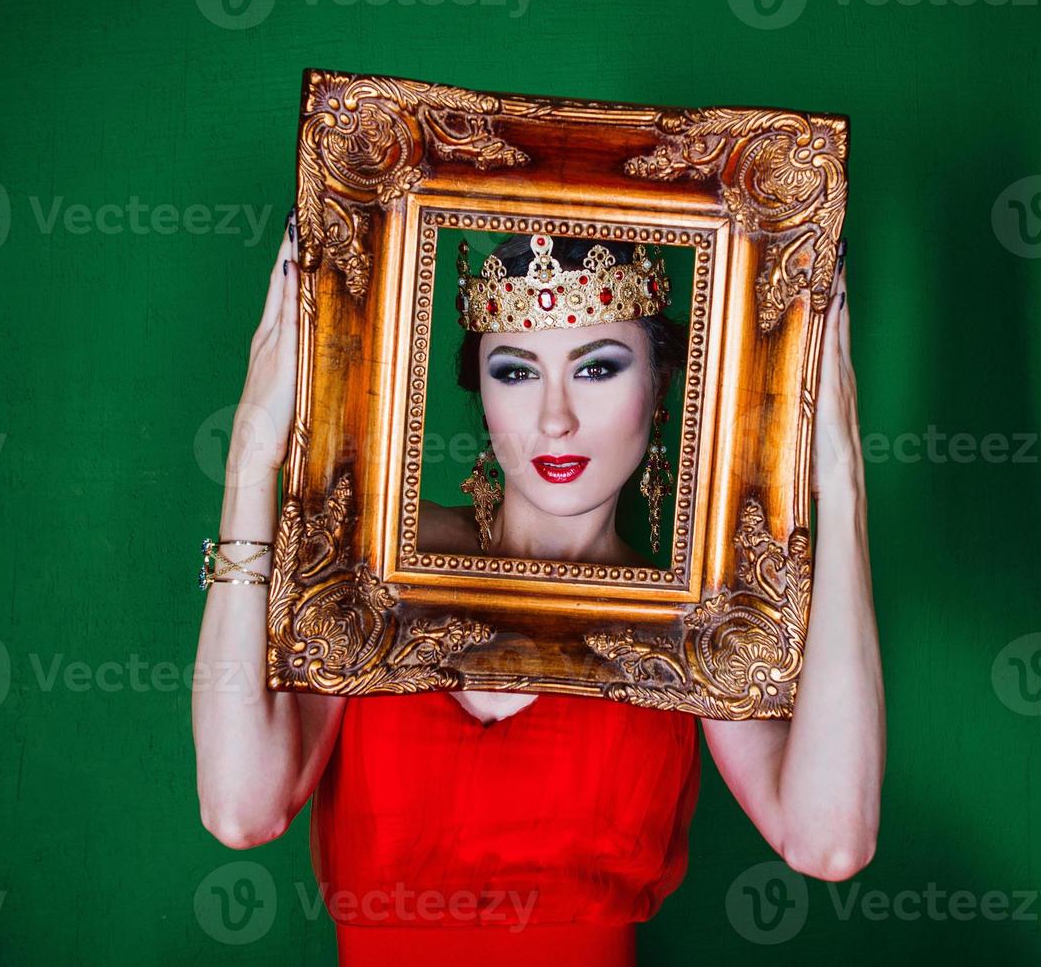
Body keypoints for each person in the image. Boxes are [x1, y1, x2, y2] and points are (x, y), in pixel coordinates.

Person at [192, 211, 885, 966]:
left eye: (597, 368)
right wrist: (251, 462)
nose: (554, 419)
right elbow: (242, 808)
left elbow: (829, 840)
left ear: (660, 387)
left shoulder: (695, 611)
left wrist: (840, 483)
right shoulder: (372, 557)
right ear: (481, 395)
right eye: (516, 371)